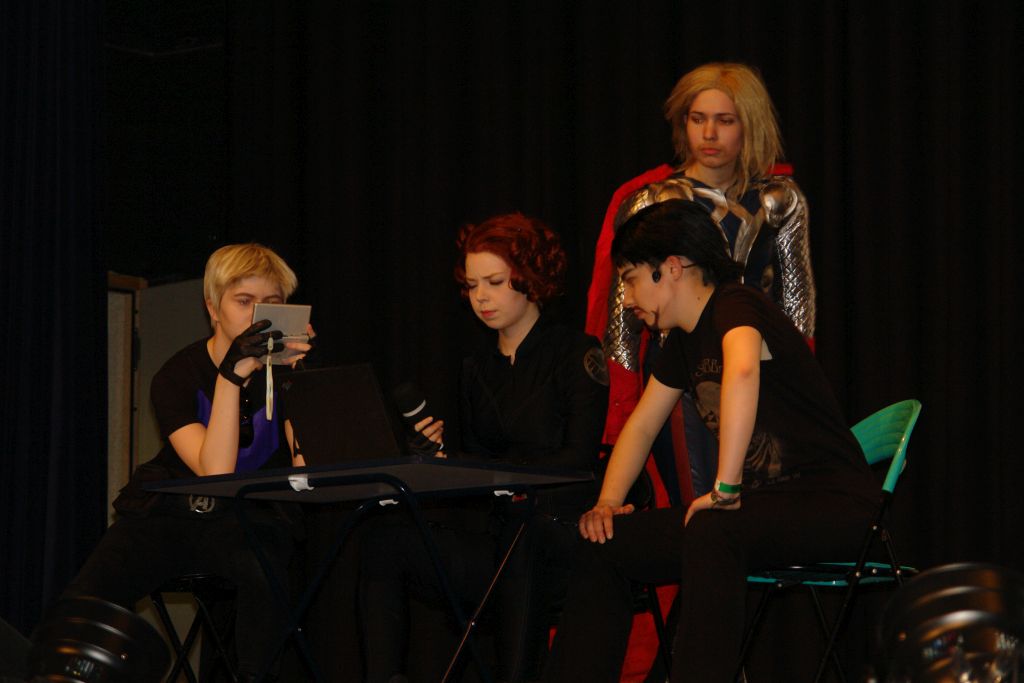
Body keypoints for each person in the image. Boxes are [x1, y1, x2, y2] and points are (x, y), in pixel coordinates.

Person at [542, 200, 875, 683]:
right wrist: (608, 503)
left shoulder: (737, 305)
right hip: (759, 510)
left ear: (672, 268)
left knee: (713, 530)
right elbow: (642, 425)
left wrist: (726, 487)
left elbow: (742, 370)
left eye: (632, 279)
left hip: (833, 502)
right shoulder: (681, 342)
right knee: (606, 543)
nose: (627, 297)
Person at [358, 213, 609, 683]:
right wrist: (437, 458)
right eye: (472, 286)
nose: (481, 298)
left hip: (562, 538)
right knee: (386, 539)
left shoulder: (577, 352)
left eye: (494, 282)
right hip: (500, 540)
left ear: (531, 278)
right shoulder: (476, 368)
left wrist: (480, 469)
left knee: (524, 536)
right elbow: (475, 470)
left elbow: (578, 460)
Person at [62, 243, 314, 682]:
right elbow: (214, 472)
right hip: (173, 513)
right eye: (244, 302)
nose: (258, 317)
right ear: (213, 308)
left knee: (265, 572)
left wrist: (311, 388)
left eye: (271, 304)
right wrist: (232, 375)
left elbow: (307, 472)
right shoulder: (177, 375)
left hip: (248, 520)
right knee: (91, 594)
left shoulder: (289, 374)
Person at [586, 62, 815, 504]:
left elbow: (797, 309)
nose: (709, 134)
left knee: (761, 507)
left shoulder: (780, 200)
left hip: (762, 372)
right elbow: (622, 321)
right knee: (690, 502)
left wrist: (797, 385)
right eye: (698, 119)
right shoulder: (650, 200)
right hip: (677, 378)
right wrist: (621, 411)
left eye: (725, 120)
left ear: (749, 125)